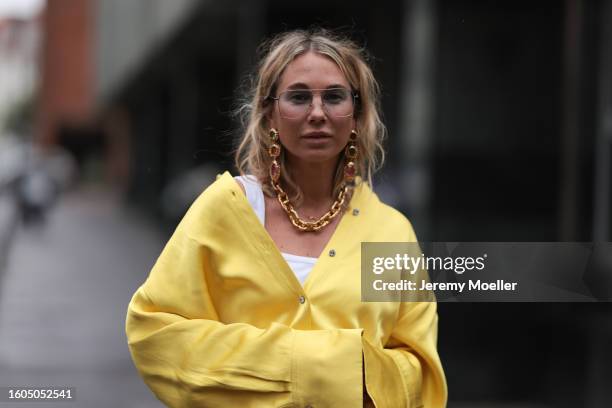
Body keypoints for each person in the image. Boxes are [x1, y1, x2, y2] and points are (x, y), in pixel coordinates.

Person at [126, 28, 447, 407]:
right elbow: (155, 335)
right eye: (298, 97)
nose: (317, 113)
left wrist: (369, 379)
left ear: (357, 115)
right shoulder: (227, 210)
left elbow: (420, 370)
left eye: (334, 97)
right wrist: (321, 369)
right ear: (269, 114)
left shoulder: (390, 232)